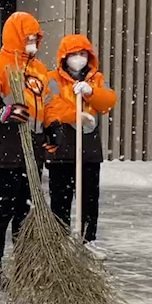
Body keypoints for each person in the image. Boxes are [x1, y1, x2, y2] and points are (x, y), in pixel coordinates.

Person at [0, 11, 51, 285]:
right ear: (16, 36)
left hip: (33, 155)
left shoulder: (40, 70)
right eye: (28, 38)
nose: (32, 42)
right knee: (1, 211)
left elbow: (47, 106)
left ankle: (23, 264)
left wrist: (53, 128)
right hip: (4, 154)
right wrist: (1, 113)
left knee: (25, 212)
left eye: (35, 38)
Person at [42, 35, 117, 253]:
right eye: (74, 54)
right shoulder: (52, 79)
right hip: (61, 145)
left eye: (83, 54)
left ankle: (88, 240)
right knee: (60, 198)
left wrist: (91, 92)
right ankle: (60, 240)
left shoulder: (97, 79)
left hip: (88, 148)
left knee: (89, 197)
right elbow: (50, 107)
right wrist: (75, 115)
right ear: (64, 57)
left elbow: (108, 101)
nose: (78, 59)